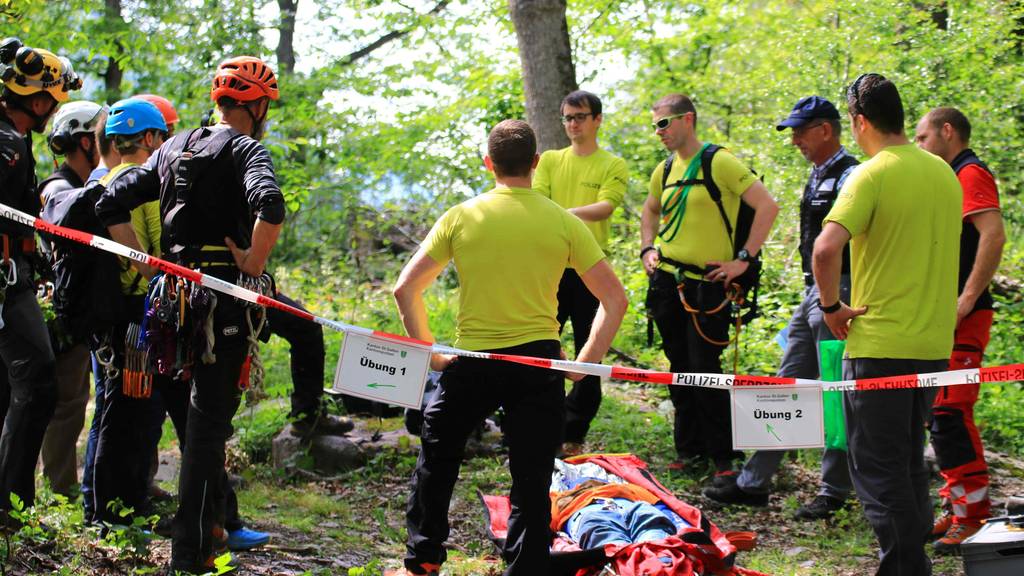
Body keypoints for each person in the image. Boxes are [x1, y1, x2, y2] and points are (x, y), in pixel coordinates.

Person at [392, 119, 627, 576]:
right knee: (532, 476)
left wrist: (431, 355)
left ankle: (422, 562)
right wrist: (583, 366)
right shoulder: (563, 221)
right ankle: (526, 567)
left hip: (471, 361)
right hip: (538, 363)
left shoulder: (461, 216)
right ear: (536, 164)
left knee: (436, 464)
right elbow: (614, 299)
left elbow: (405, 289)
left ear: (489, 163)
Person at [96, 56, 284, 574]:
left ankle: (207, 532)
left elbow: (110, 202)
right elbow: (271, 202)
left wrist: (144, 259)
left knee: (195, 417)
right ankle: (193, 547)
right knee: (205, 428)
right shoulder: (246, 149)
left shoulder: (174, 147)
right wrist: (252, 261)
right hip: (219, 296)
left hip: (170, 298)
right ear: (258, 105)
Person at [813, 73, 960, 575]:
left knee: (877, 469)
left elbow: (825, 248)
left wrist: (831, 307)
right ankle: (912, 558)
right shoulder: (944, 173)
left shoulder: (871, 174)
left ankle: (904, 567)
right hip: (933, 344)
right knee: (906, 461)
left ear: (858, 121)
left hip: (880, 345)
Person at [704, 96, 858, 519]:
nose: (794, 140)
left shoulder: (852, 174)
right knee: (788, 386)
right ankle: (754, 482)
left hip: (840, 293)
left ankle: (834, 490)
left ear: (826, 130)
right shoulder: (818, 175)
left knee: (833, 393)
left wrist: (837, 298)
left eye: (800, 131)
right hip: (813, 292)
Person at [639, 94, 778, 483]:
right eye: (655, 125)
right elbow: (650, 211)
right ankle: (689, 449)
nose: (659, 132)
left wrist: (744, 260)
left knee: (706, 370)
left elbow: (767, 206)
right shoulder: (664, 169)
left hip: (709, 288)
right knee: (679, 367)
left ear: (688, 120)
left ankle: (723, 456)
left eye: (664, 123)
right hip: (668, 282)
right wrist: (647, 248)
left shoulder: (720, 162)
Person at [915, 106, 1005, 553]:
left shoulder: (969, 172)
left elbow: (993, 234)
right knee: (939, 414)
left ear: (948, 132)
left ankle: (974, 515)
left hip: (964, 316)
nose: (919, 146)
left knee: (951, 414)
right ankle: (957, 505)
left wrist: (966, 299)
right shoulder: (948, 175)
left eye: (924, 137)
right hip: (938, 317)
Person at [0, 38, 81, 517]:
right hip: (6, 282)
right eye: (53, 101)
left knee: (8, 388)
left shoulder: (13, 139)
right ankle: (11, 505)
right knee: (39, 383)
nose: (54, 110)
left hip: (17, 273)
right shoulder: (7, 145)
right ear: (36, 99)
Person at [533, 90, 628, 457]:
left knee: (591, 350)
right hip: (551, 268)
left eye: (580, 117)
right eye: (567, 118)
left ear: (597, 120)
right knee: (541, 344)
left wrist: (562, 215)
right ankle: (543, 423)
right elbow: (537, 201)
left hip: (590, 268)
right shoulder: (552, 161)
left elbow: (605, 207)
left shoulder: (612, 164)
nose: (573, 124)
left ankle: (575, 431)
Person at [90, 97, 169, 525]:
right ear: (151, 138)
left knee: (113, 411)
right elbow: (161, 249)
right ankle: (122, 513)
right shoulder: (145, 185)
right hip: (140, 310)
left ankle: (102, 509)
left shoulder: (104, 180)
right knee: (136, 414)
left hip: (109, 311)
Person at [36, 99, 103, 496]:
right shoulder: (58, 188)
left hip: (75, 307)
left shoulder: (75, 185)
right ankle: (59, 490)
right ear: (83, 142)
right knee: (65, 405)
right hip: (58, 311)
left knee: (73, 403)